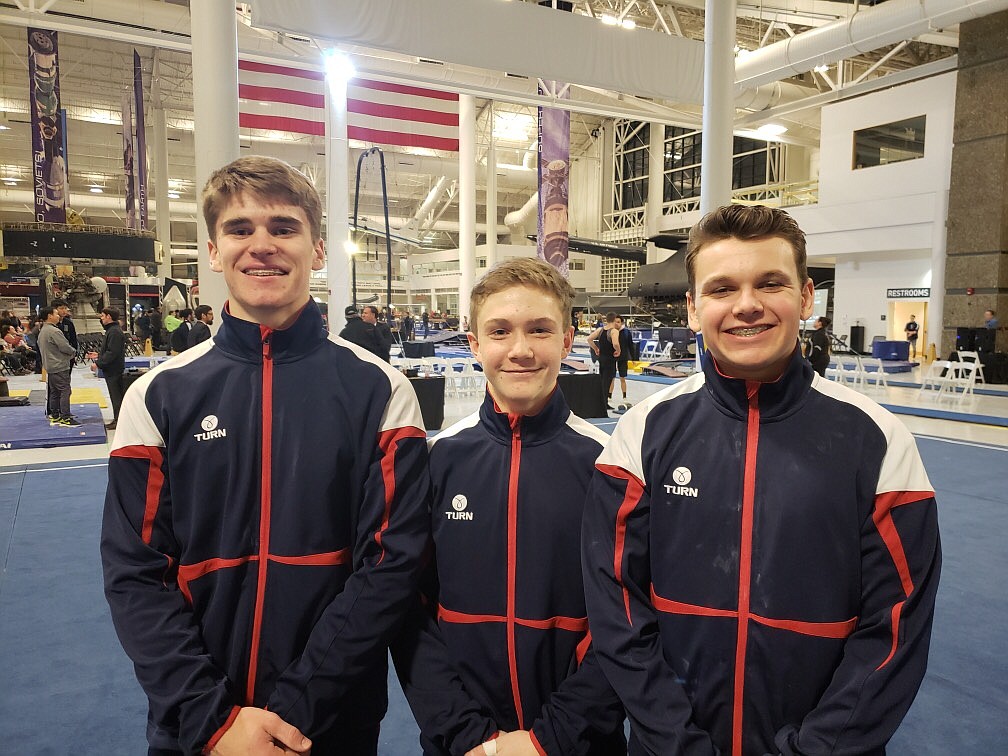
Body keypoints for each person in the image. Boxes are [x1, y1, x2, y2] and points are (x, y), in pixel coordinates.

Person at [582, 204, 941, 756]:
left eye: (769, 283)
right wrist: (675, 743)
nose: (746, 305)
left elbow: (896, 630)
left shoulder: (877, 440)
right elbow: (617, 611)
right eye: (722, 288)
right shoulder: (642, 433)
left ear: (805, 297)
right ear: (693, 307)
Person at [101, 155, 431, 756]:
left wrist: (298, 708)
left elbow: (390, 566)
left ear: (318, 249)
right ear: (212, 249)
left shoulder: (380, 391)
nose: (262, 245)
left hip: (329, 720)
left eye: (283, 228)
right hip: (197, 726)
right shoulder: (159, 395)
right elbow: (135, 574)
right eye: (240, 229)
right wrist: (213, 719)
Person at [392, 257, 627, 756]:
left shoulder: (608, 465)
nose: (520, 350)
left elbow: (628, 616)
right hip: (462, 742)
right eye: (500, 331)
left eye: (539, 330)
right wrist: (466, 735)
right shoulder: (437, 460)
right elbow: (409, 609)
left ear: (567, 341)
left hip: (576, 742)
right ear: (475, 345)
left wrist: (553, 737)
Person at [38, 305, 80, 426]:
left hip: (50, 365)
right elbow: (65, 347)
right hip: (59, 365)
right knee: (65, 391)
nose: (58, 316)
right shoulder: (54, 331)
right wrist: (73, 352)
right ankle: (65, 417)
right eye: (56, 314)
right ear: (50, 316)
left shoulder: (43, 330)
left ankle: (55, 415)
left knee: (55, 392)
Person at [86, 307, 126, 430]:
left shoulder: (114, 331)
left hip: (114, 369)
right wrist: (99, 354)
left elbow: (112, 352)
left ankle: (119, 420)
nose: (101, 318)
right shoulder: (112, 330)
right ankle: (117, 418)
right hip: (113, 368)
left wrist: (98, 363)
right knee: (115, 395)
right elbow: (110, 349)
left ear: (109, 316)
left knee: (116, 396)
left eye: (103, 316)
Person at [588, 312, 618, 409]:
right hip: (610, 359)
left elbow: (589, 339)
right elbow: (615, 343)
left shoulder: (600, 330)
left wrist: (596, 348)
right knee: (607, 381)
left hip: (602, 358)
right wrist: (618, 350)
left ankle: (603, 402)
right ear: (614, 319)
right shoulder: (614, 331)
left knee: (603, 380)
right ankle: (603, 404)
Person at [612, 315, 635, 402]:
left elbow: (630, 346)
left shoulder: (626, 333)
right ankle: (609, 396)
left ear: (621, 323)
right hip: (612, 357)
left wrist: (633, 359)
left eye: (618, 322)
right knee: (611, 378)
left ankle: (624, 396)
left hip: (623, 358)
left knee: (622, 378)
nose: (616, 324)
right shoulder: (611, 332)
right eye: (615, 322)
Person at [51, 298, 79, 363]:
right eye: (61, 308)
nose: (64, 311)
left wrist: (74, 352)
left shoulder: (68, 322)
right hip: (56, 355)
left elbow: (73, 338)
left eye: (65, 308)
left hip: (69, 353)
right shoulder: (52, 323)